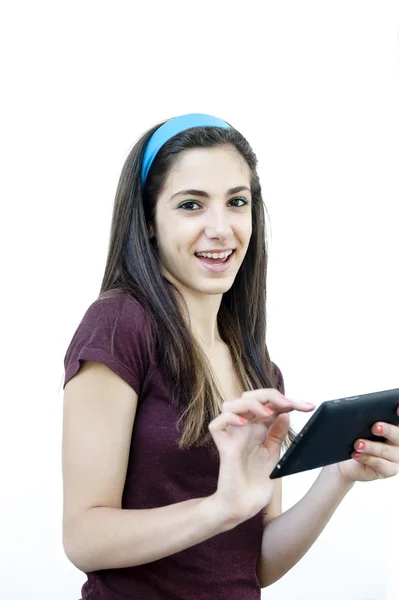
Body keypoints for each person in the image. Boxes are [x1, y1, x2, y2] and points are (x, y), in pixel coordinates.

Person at [62, 113, 399, 600]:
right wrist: (218, 508)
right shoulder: (120, 325)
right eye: (191, 205)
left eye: (236, 202)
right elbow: (83, 539)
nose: (220, 228)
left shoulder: (258, 366)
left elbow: (255, 565)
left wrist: (339, 474)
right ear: (149, 221)